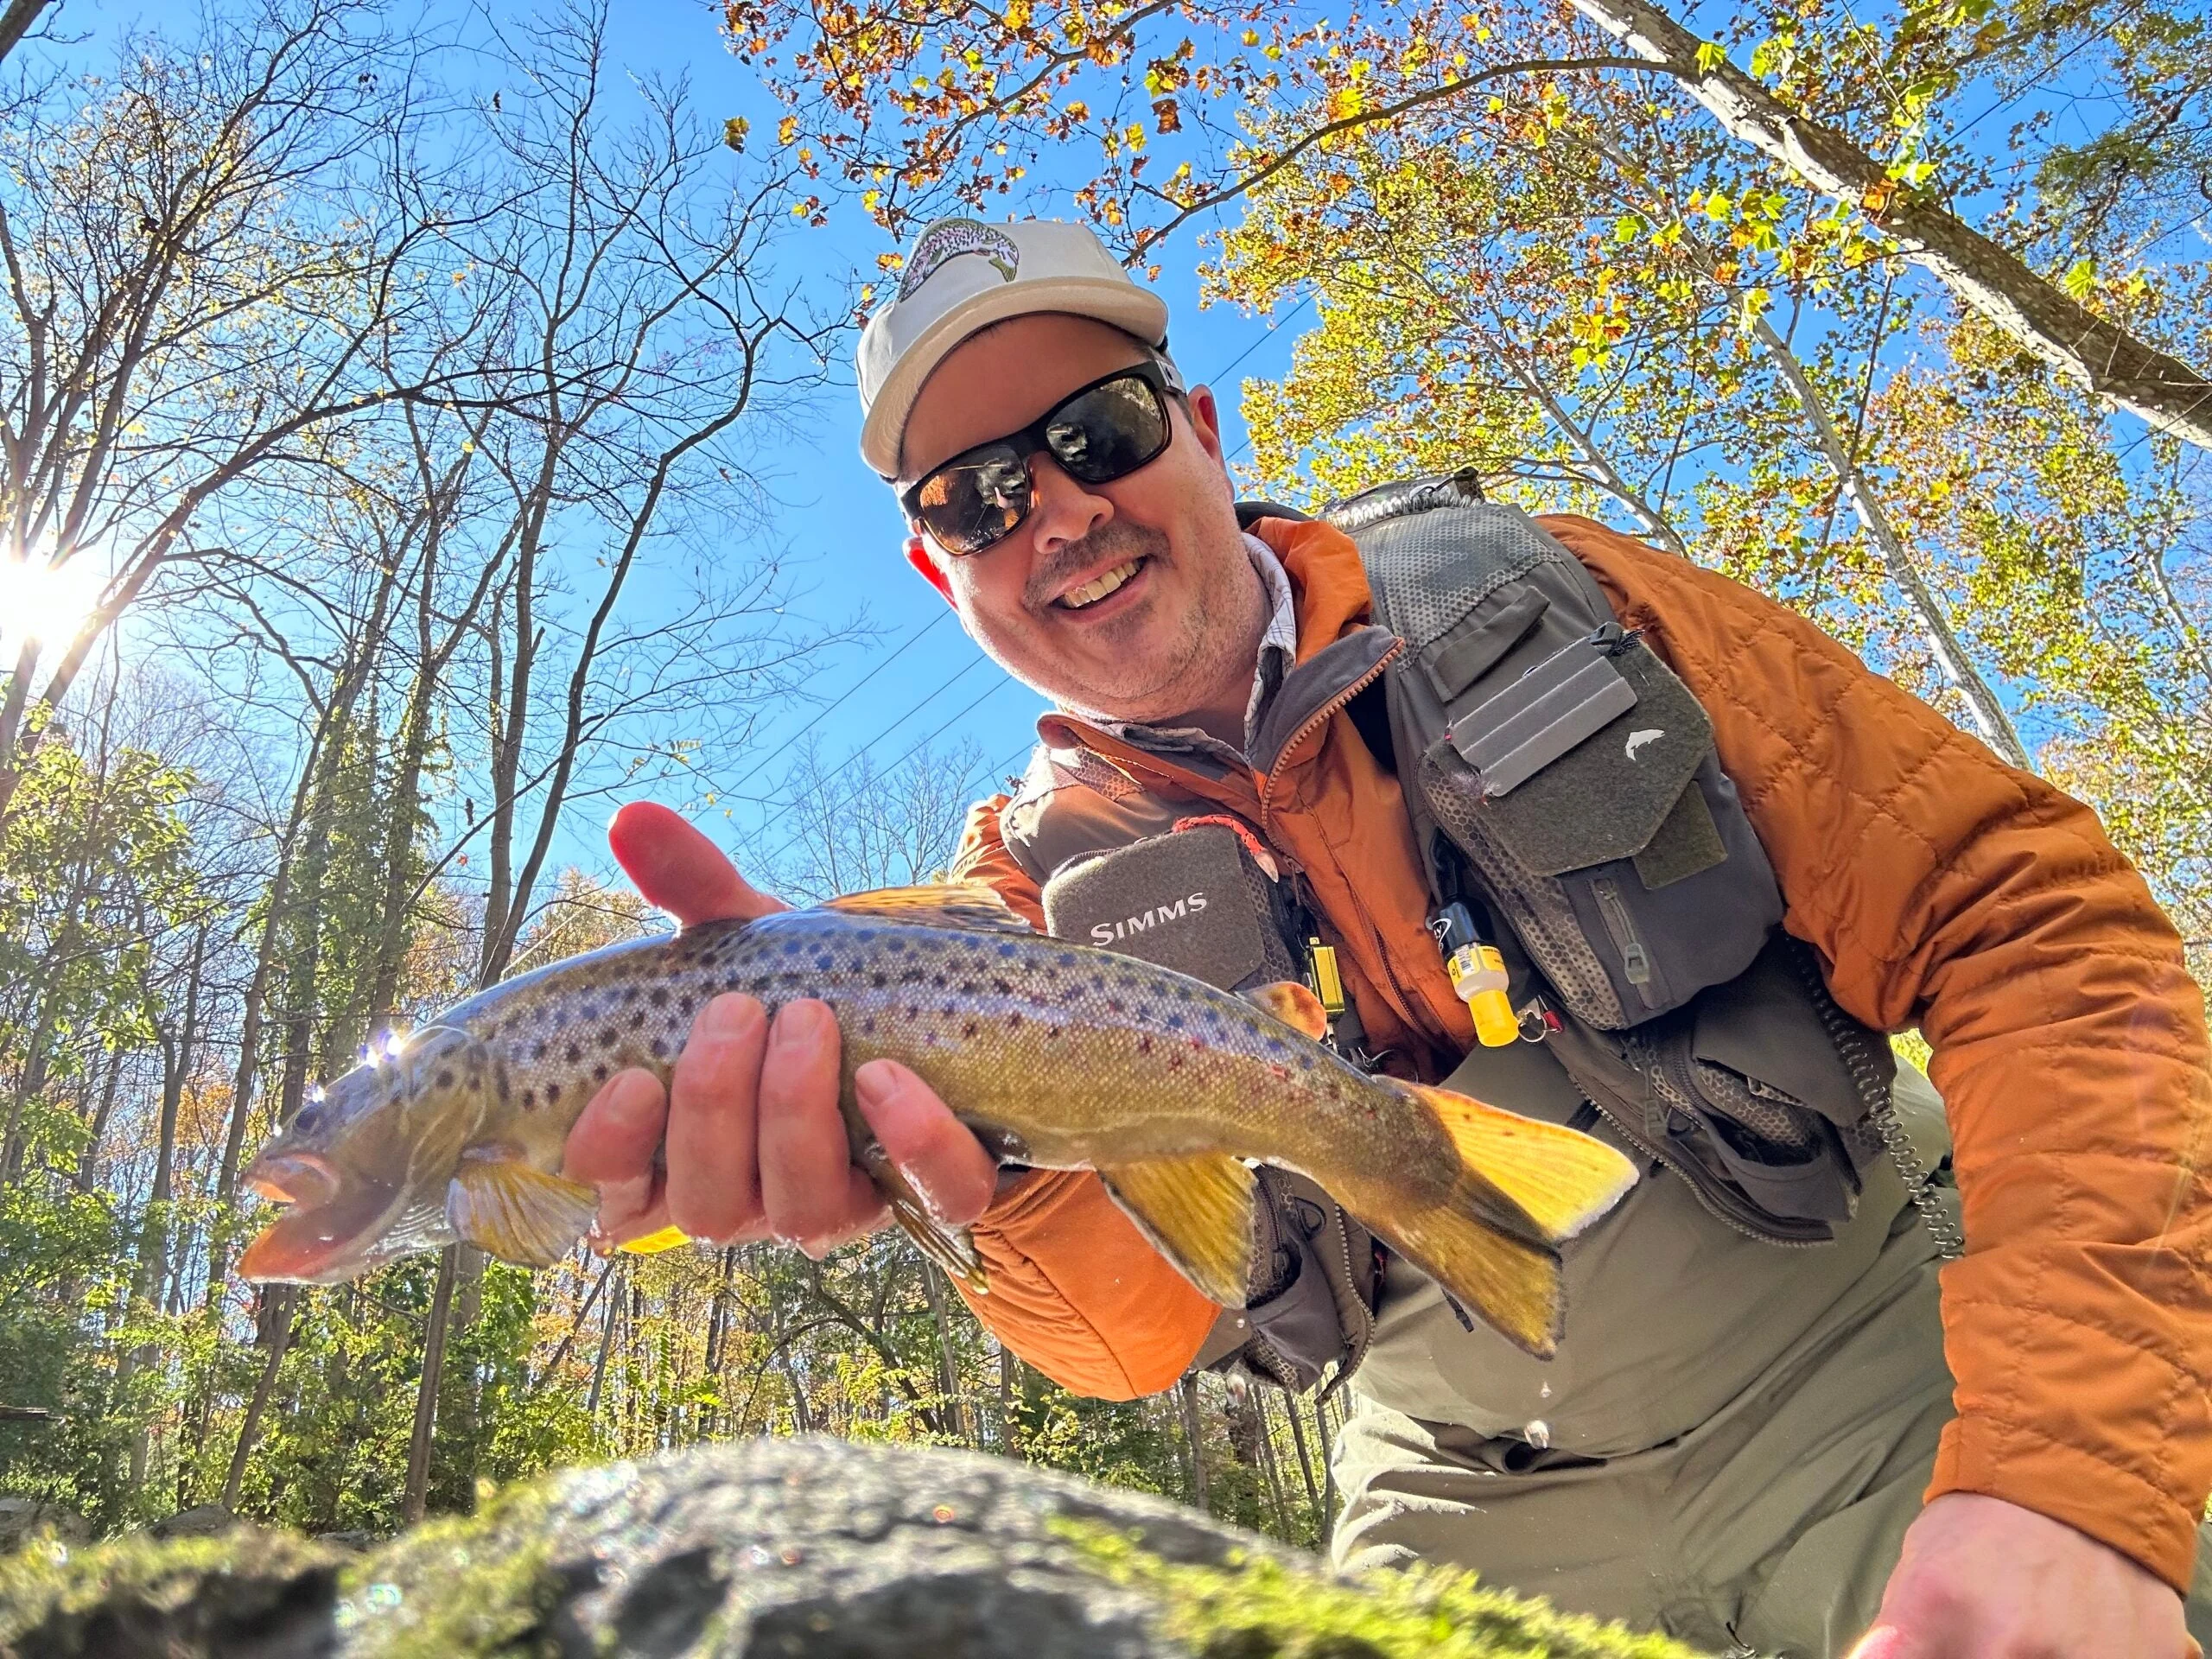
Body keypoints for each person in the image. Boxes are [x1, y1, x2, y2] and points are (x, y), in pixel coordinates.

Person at [560, 218, 2212, 1658]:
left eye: (1099, 429)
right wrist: (963, 1174)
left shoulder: (1550, 591)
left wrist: (2070, 1471)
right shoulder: (990, 917)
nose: (1054, 510)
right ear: (944, 572)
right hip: (1454, 1475)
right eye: (981, 495)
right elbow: (1132, 1348)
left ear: (1197, 429)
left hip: (1870, 1334)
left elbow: (2030, 931)